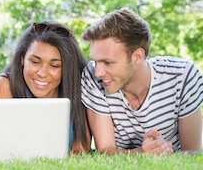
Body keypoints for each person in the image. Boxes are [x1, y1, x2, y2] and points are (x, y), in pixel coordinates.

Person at [80, 8, 203, 154]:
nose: (98, 72)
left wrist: (163, 151)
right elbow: (106, 152)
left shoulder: (182, 76)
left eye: (108, 63)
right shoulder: (92, 76)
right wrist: (143, 152)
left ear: (137, 56)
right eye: (95, 61)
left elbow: (191, 154)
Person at [0, 20, 91, 153]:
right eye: (35, 62)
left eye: (55, 66)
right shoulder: (5, 86)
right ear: (22, 59)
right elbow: (2, 147)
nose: (42, 73)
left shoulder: (78, 85)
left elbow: (81, 149)